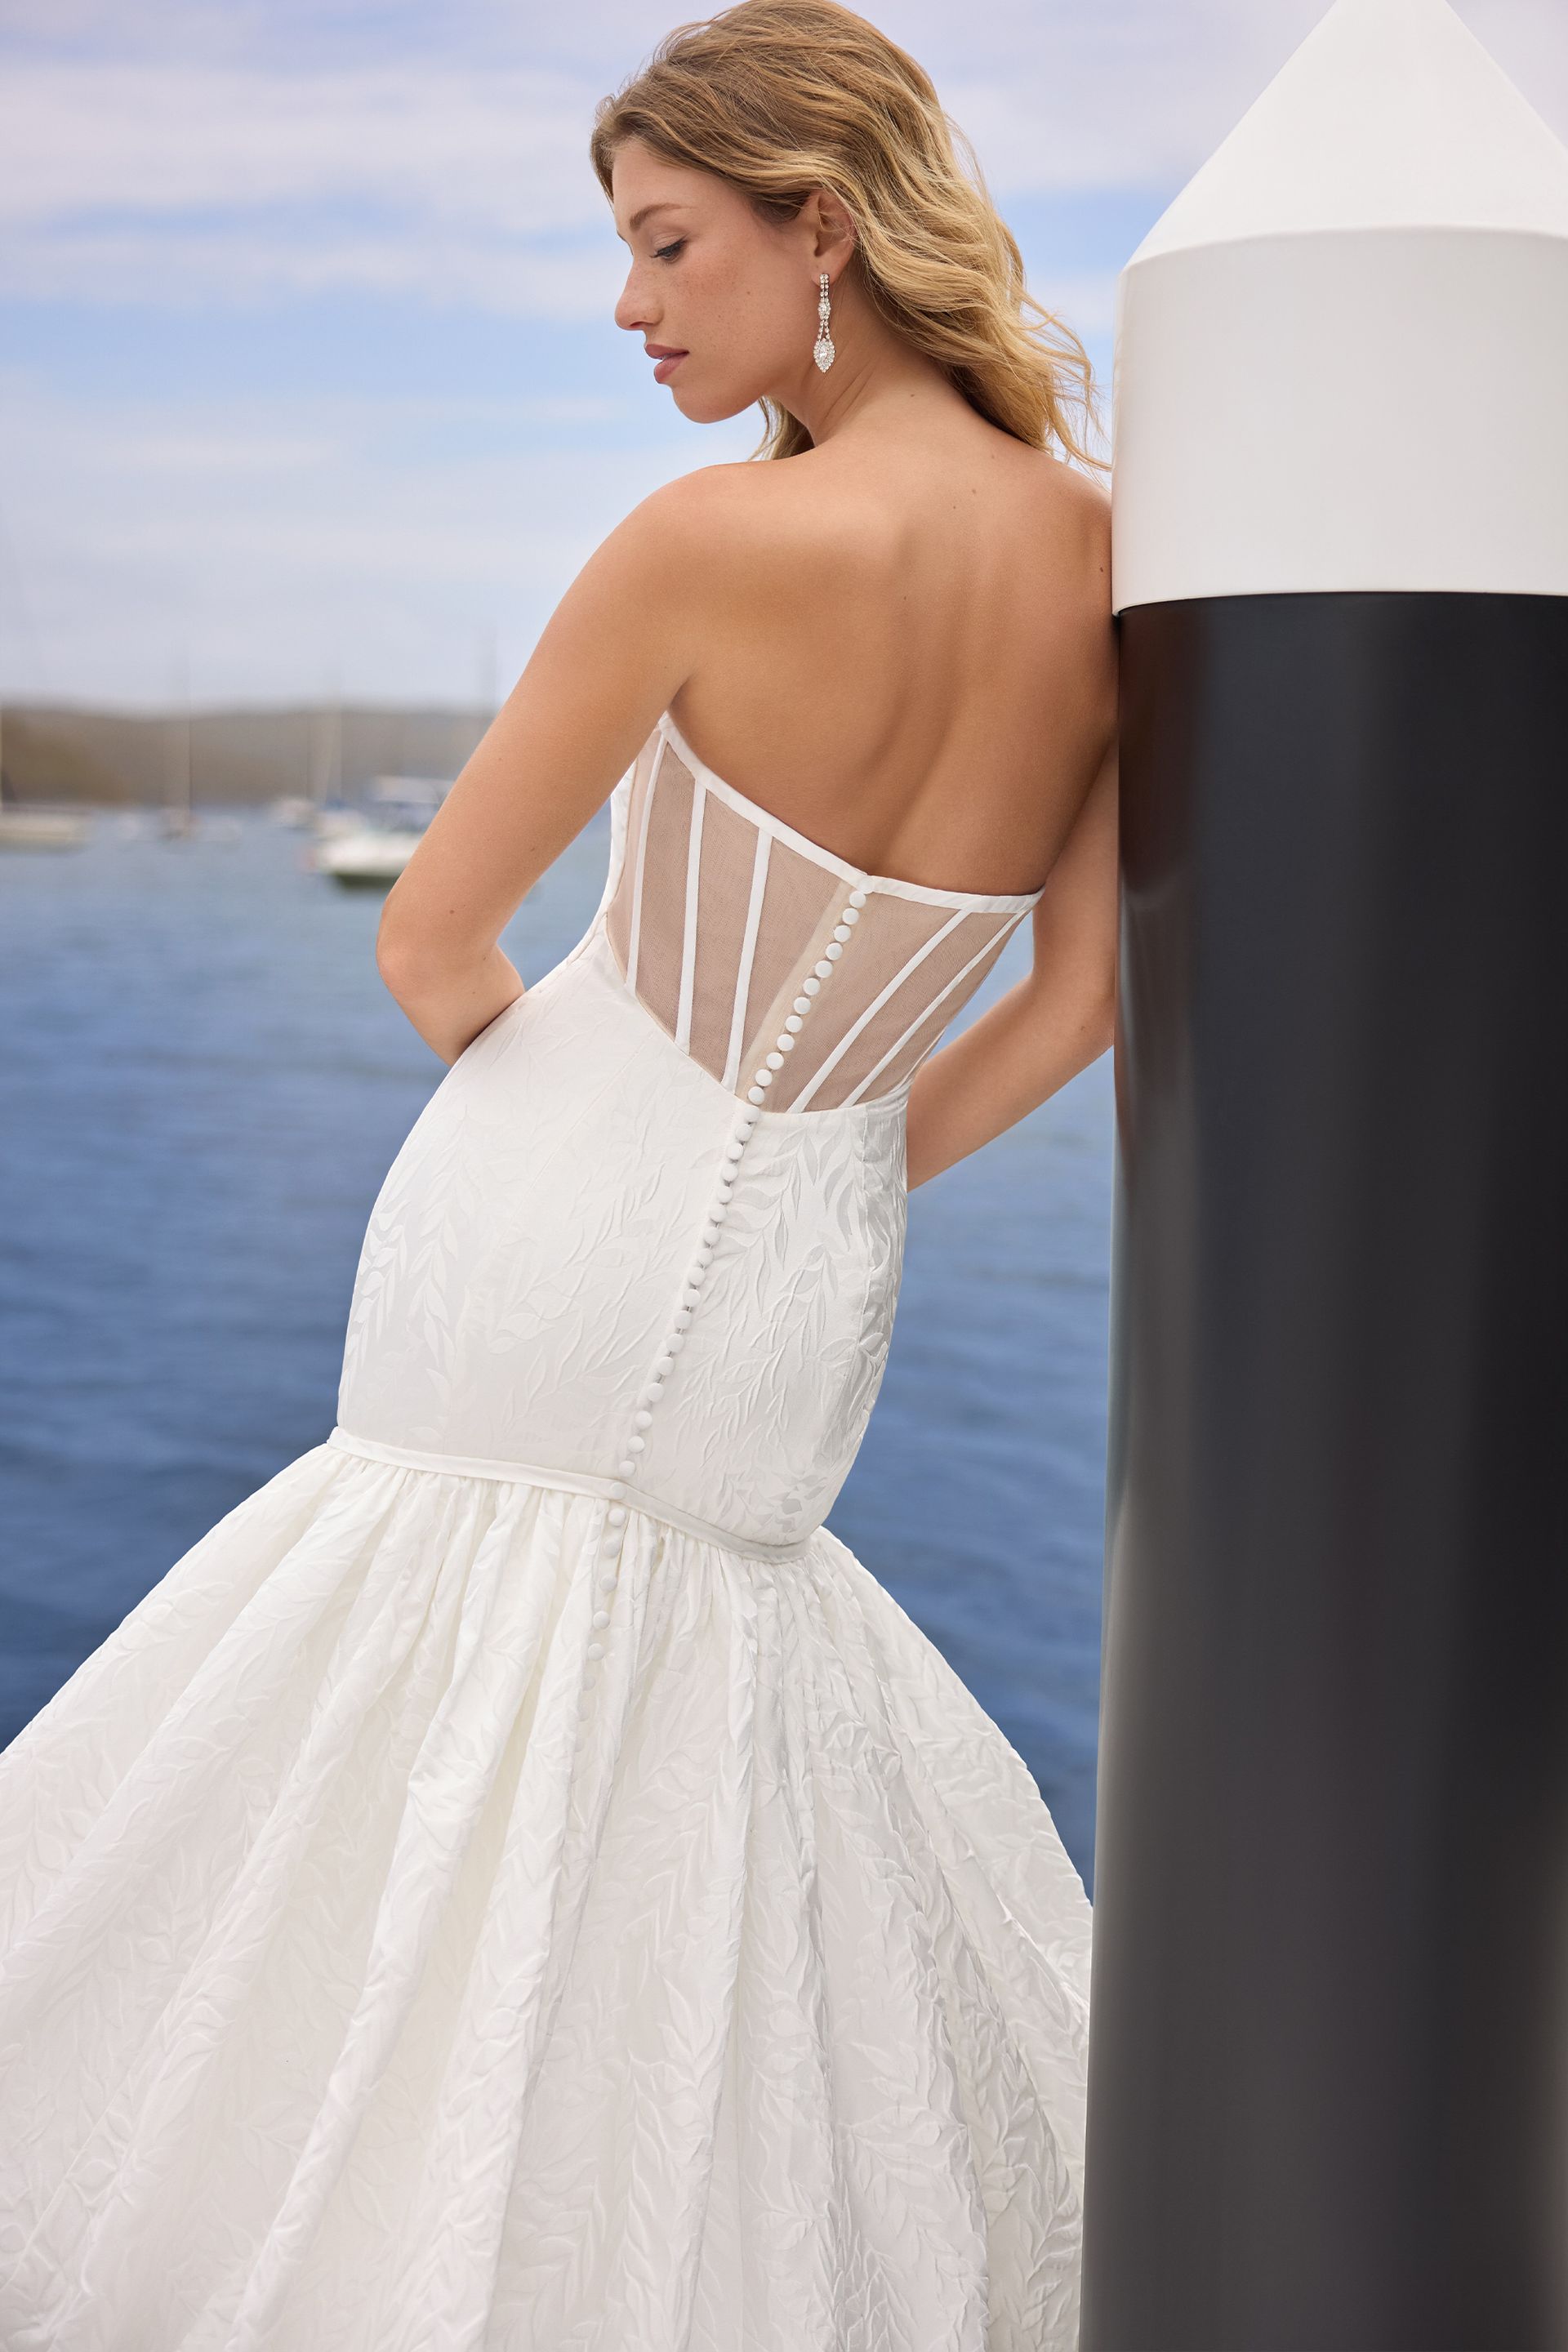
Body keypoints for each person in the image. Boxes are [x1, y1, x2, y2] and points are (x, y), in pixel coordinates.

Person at [0, 2, 1117, 2343]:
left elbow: (433, 938)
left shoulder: (705, 540)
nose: (632, 305)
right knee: (681, 1753)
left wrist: (606, 1134)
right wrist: (833, 1170)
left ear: (826, 226)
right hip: (816, 1275)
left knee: (402, 1734)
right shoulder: (1116, 576)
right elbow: (1081, 1002)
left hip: (543, 1220)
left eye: (667, 243)